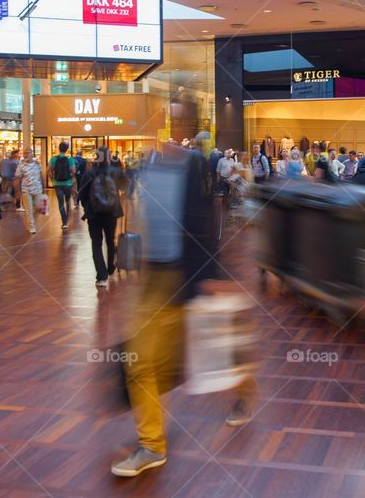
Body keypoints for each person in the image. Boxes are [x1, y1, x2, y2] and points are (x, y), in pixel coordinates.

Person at [112, 140, 220, 477]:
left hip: (182, 278)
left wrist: (212, 276)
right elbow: (146, 220)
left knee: (194, 358)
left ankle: (244, 389)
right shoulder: (150, 166)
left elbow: (205, 224)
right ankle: (152, 444)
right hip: (154, 280)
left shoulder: (194, 168)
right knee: (141, 362)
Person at [78, 146, 124, 287]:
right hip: (112, 212)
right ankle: (111, 266)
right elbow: (126, 185)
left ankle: (102, 276)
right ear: (109, 157)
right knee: (110, 240)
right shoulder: (115, 172)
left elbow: (82, 193)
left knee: (96, 243)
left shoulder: (89, 173)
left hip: (94, 213)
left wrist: (87, 206)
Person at [14, 148, 44, 234]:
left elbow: (41, 175)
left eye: (27, 153)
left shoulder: (37, 164)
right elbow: (17, 178)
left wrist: (43, 187)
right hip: (26, 190)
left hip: (37, 189)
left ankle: (31, 220)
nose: (26, 155)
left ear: (32, 154)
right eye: (24, 153)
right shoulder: (21, 166)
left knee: (38, 207)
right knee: (29, 209)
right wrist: (17, 191)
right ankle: (32, 226)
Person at [49, 142, 76, 230]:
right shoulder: (70, 159)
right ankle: (67, 217)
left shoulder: (53, 159)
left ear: (58, 148)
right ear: (67, 149)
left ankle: (64, 222)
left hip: (57, 184)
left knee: (60, 203)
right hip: (67, 184)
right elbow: (74, 171)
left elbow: (49, 171)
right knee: (67, 201)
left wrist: (52, 180)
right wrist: (71, 177)